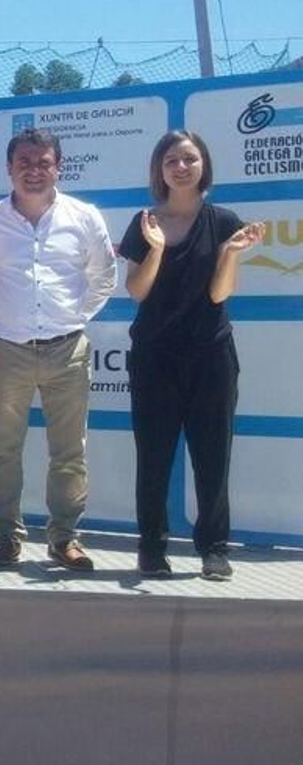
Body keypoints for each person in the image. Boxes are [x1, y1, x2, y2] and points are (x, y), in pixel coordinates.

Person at [120, 130, 263, 581]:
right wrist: (157, 249)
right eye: (171, 161)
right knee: (154, 457)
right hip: (154, 358)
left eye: (189, 159)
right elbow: (136, 290)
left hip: (211, 358)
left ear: (204, 166)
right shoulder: (144, 222)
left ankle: (214, 549)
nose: (181, 167)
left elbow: (220, 294)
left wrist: (231, 252)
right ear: (159, 170)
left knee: (212, 457)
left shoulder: (224, 221)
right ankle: (151, 548)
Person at [0, 127, 116, 572]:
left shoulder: (84, 217)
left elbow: (104, 277)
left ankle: (65, 538)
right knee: (3, 451)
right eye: (24, 163)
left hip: (67, 350)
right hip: (6, 350)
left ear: (59, 167)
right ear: (8, 168)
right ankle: (5, 537)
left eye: (43, 162)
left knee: (69, 453)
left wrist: (70, 318)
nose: (33, 171)